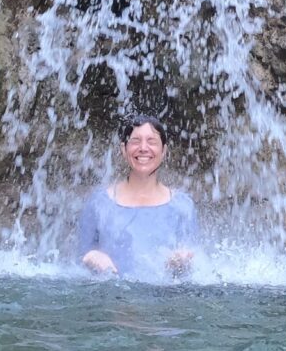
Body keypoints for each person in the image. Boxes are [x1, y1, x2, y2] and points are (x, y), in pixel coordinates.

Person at [78, 114, 198, 278]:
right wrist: (92, 257)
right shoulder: (99, 203)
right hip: (110, 298)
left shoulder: (182, 206)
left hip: (165, 299)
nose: (143, 148)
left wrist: (180, 263)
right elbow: (78, 259)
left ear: (163, 151)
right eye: (135, 141)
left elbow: (193, 268)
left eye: (151, 141)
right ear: (123, 149)